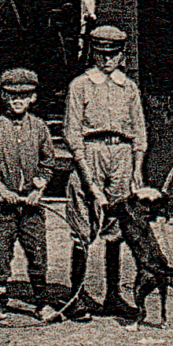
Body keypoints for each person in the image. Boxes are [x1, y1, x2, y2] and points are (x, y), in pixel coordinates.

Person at [61, 22, 146, 321]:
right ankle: (76, 296)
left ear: (122, 55)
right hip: (90, 155)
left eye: (113, 54)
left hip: (121, 156)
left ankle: (112, 295)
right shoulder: (80, 86)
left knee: (117, 230)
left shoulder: (129, 88)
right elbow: (72, 135)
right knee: (83, 228)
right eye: (101, 54)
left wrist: (136, 169)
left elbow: (139, 132)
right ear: (93, 54)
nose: (107, 59)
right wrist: (88, 178)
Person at [0, 65, 57, 317]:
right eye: (12, 96)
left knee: (37, 253)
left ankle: (42, 301)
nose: (18, 101)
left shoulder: (39, 127)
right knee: (2, 252)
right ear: (4, 97)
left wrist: (38, 189)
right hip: (3, 206)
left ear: (33, 98)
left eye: (24, 96)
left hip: (31, 205)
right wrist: (2, 190)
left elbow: (48, 163)